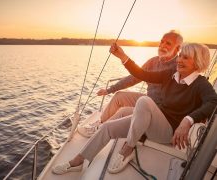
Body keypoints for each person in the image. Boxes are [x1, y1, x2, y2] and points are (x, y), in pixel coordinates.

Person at [52, 43, 217, 175]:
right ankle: (77, 161)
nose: (179, 60)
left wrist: (188, 120)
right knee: (108, 127)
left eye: (185, 57)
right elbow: (143, 74)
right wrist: (123, 57)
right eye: (180, 55)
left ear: (197, 63)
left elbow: (213, 102)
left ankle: (128, 148)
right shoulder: (170, 75)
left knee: (144, 101)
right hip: (153, 122)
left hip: (169, 133)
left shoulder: (201, 84)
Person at [78, 30, 183, 138]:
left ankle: (100, 131)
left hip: (160, 111)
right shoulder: (153, 61)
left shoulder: (180, 66)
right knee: (119, 96)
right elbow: (134, 77)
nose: (162, 46)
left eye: (168, 43)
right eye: (162, 42)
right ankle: (100, 123)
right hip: (148, 99)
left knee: (124, 111)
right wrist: (109, 90)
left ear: (178, 48)